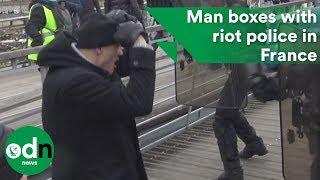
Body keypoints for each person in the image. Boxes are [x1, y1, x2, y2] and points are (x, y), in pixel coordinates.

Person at [39, 12, 155, 179]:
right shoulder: (76, 83)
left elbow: (116, 78)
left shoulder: (79, 67)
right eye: (117, 46)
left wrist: (107, 24)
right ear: (99, 49)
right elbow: (139, 102)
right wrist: (139, 42)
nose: (121, 52)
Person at [26, 0, 73, 82]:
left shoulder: (53, 6)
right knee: (53, 80)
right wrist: (37, 39)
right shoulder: (39, 8)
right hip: (46, 50)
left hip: (55, 49)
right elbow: (31, 26)